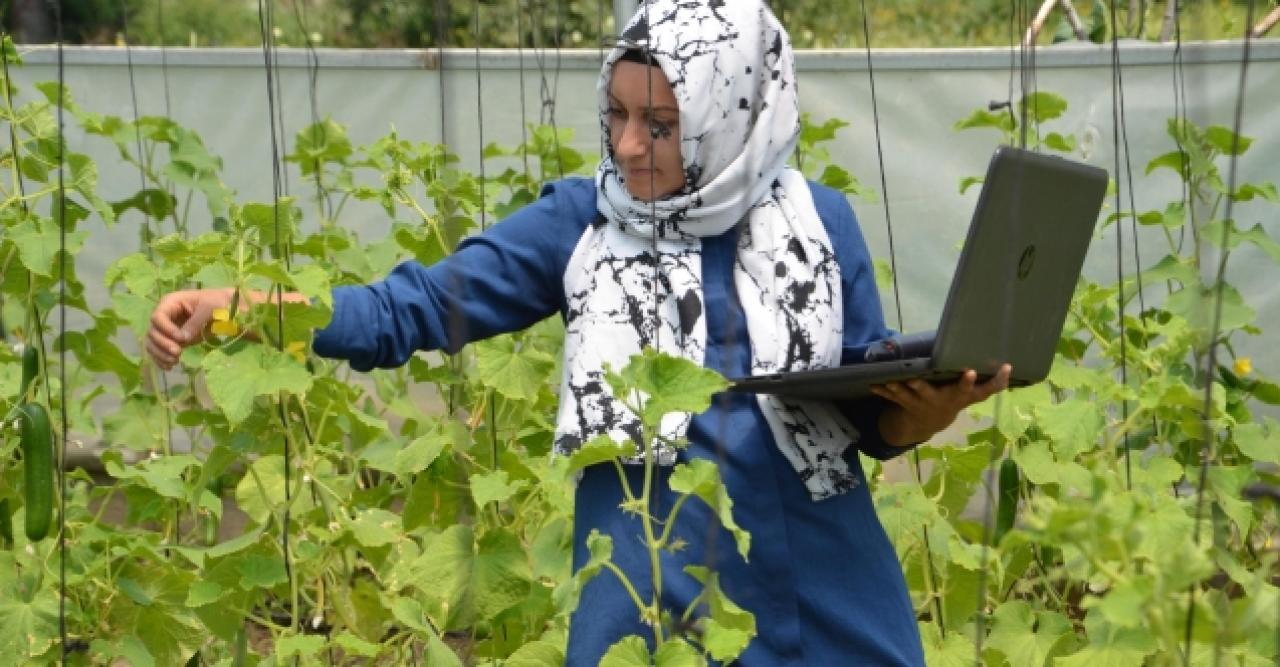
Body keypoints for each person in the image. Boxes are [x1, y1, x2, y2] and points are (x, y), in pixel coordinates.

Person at [147, 1, 1010, 663]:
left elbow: (869, 418)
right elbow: (404, 309)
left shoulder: (821, 223)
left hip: (831, 589)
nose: (630, 147)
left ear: (733, 114)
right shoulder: (583, 222)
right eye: (618, 115)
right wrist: (242, 305)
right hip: (656, 598)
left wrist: (925, 413)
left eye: (662, 125)